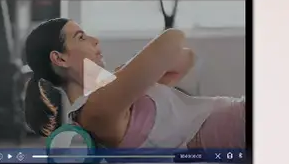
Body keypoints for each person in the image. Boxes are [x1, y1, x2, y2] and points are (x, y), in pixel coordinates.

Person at [23, 18, 245, 150]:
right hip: (226, 128)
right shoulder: (96, 108)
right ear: (60, 59)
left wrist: (133, 76)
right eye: (81, 37)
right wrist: (130, 70)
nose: (95, 40)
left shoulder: (114, 97)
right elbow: (172, 38)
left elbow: (186, 58)